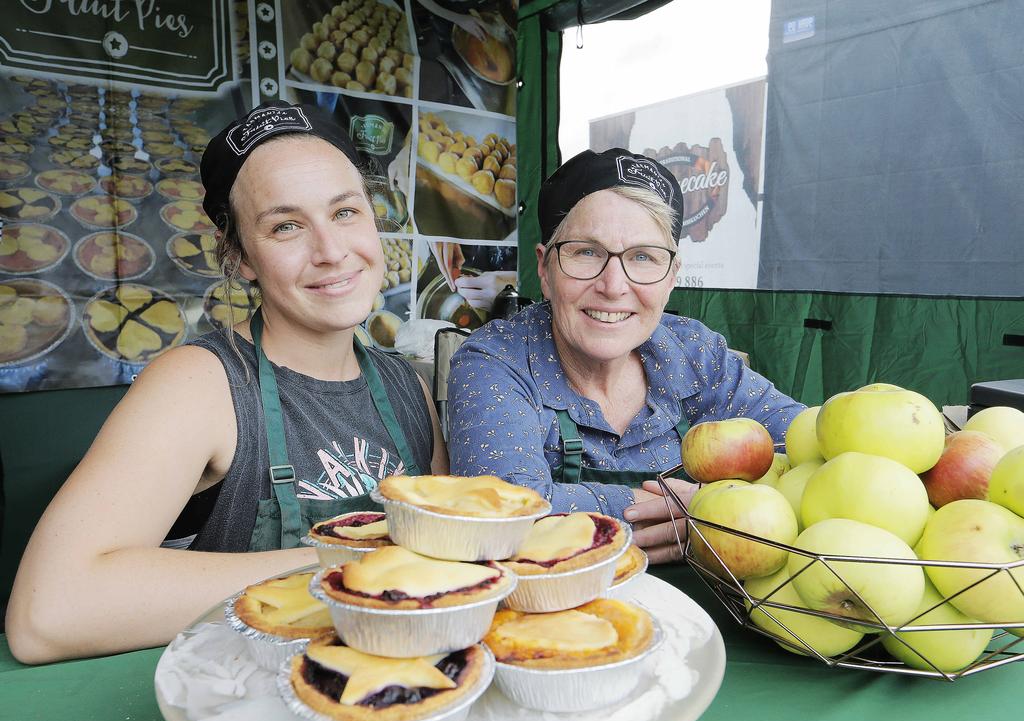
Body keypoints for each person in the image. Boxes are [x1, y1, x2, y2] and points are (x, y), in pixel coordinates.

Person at [6, 102, 447, 664]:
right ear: (240, 256)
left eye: (344, 212)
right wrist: (349, 568)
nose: (331, 251)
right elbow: (50, 614)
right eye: (286, 226)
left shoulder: (405, 385)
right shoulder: (199, 384)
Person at [446, 148, 804, 563]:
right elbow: (502, 513)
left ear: (672, 277)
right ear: (545, 270)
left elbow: (807, 457)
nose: (613, 285)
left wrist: (707, 512)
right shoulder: (497, 360)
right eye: (586, 252)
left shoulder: (697, 355)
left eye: (642, 257)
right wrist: (712, 514)